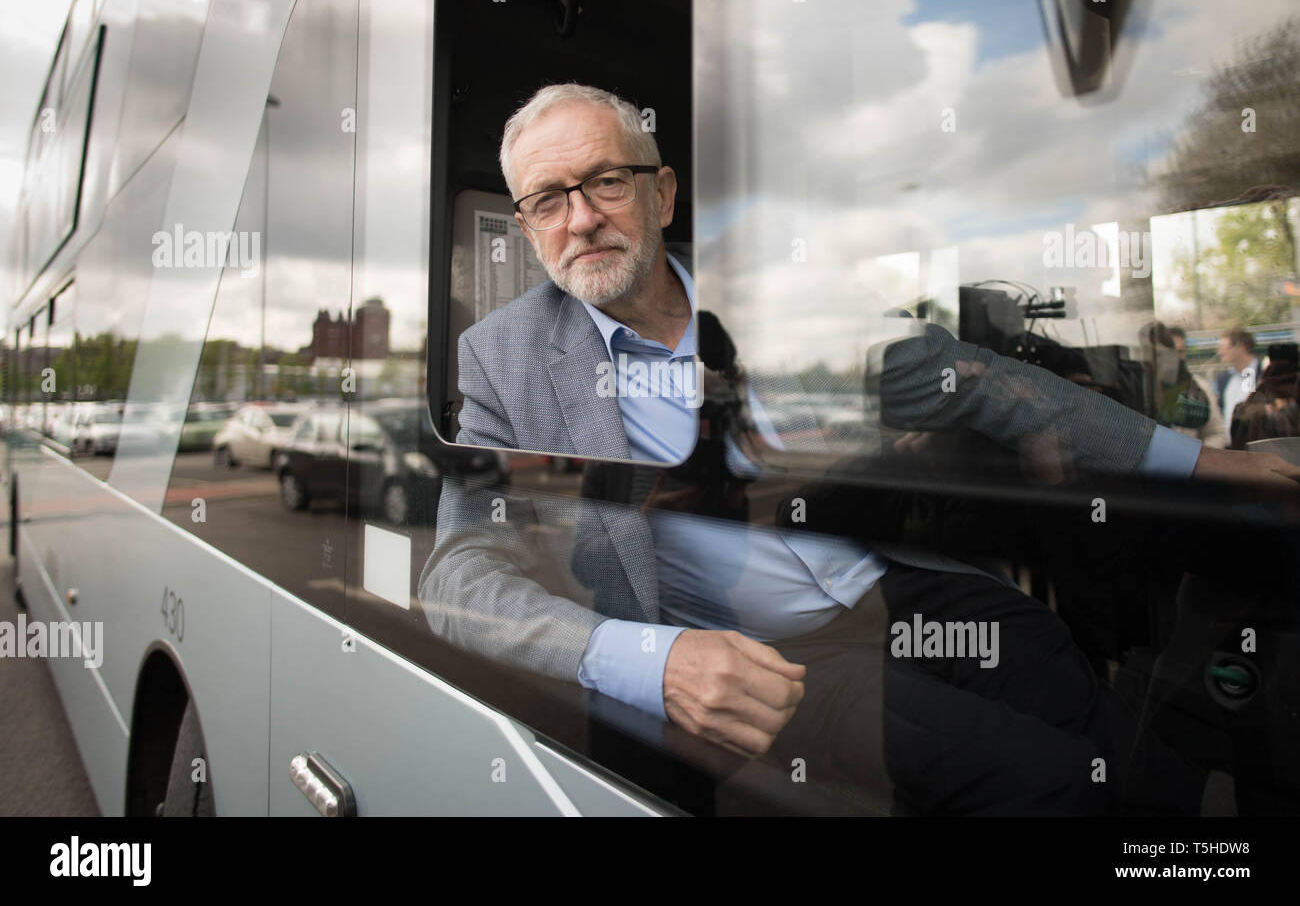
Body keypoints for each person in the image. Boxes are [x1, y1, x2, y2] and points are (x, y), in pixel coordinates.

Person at [420, 83, 1300, 813]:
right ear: (529, 228)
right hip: (760, 659)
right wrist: (649, 659)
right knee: (1040, 782)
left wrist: (1216, 464)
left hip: (877, 588)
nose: (580, 219)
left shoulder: (774, 311)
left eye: (606, 182)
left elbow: (985, 382)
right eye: (547, 200)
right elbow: (458, 579)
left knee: (1045, 657)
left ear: (662, 194)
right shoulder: (498, 361)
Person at [1214, 328, 1264, 428]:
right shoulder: (1223, 379)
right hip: (1231, 442)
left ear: (1241, 347)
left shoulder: (1264, 374)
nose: (1219, 353)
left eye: (1224, 348)